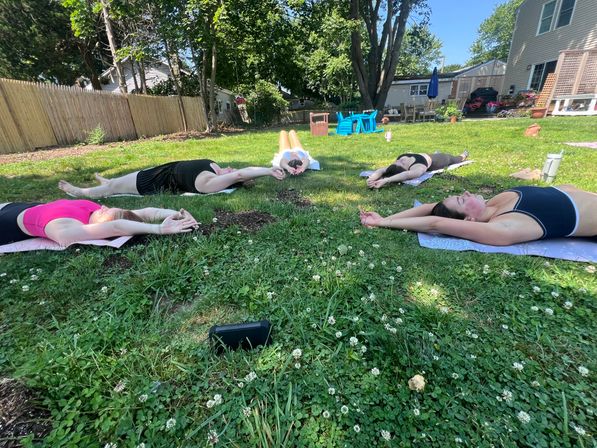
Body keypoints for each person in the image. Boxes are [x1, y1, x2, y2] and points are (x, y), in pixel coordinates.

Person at [360, 185, 597, 246]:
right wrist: (382, 224)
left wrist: (387, 216)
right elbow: (436, 222)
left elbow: (430, 207)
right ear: (469, 221)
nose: (465, 192)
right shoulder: (506, 227)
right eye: (462, 200)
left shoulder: (496, 202)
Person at [0, 199, 197, 247]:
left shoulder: (65, 228)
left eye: (109, 212)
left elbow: (116, 227)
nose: (104, 206)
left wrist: (160, 229)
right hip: (16, 206)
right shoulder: (95, 212)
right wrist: (179, 214)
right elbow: (147, 212)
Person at [58, 159, 286, 198]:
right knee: (116, 182)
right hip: (157, 170)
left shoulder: (209, 183)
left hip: (151, 182)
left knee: (114, 189)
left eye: (232, 172)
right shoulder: (215, 169)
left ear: (231, 181)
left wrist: (268, 170)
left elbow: (241, 173)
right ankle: (108, 182)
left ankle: (80, 192)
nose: (231, 168)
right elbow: (239, 172)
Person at [366, 150, 469, 188]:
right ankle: (463, 156)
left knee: (435, 153)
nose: (399, 160)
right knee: (453, 159)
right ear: (407, 169)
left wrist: (372, 178)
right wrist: (384, 180)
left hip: (424, 154)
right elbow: (405, 175)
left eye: (398, 161)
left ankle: (436, 152)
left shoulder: (397, 165)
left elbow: (381, 170)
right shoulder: (418, 168)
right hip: (437, 160)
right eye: (401, 163)